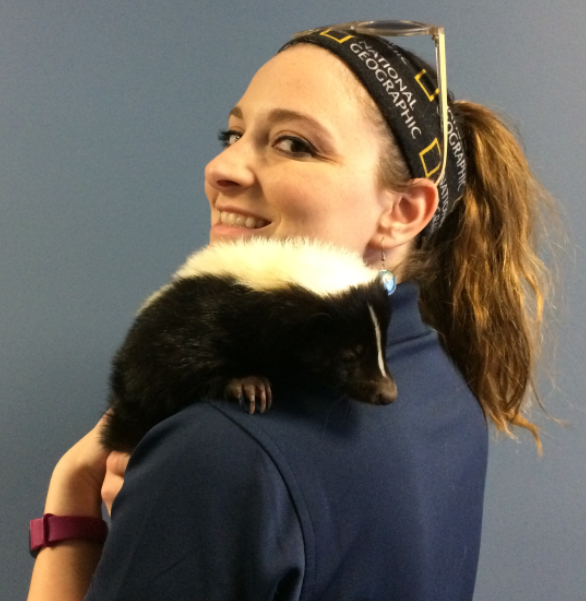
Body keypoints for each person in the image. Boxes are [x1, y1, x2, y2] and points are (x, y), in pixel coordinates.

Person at [27, 21, 555, 601]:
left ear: (404, 210)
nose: (220, 169)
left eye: (294, 144)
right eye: (232, 134)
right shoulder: (440, 379)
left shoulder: (219, 447)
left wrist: (68, 498)